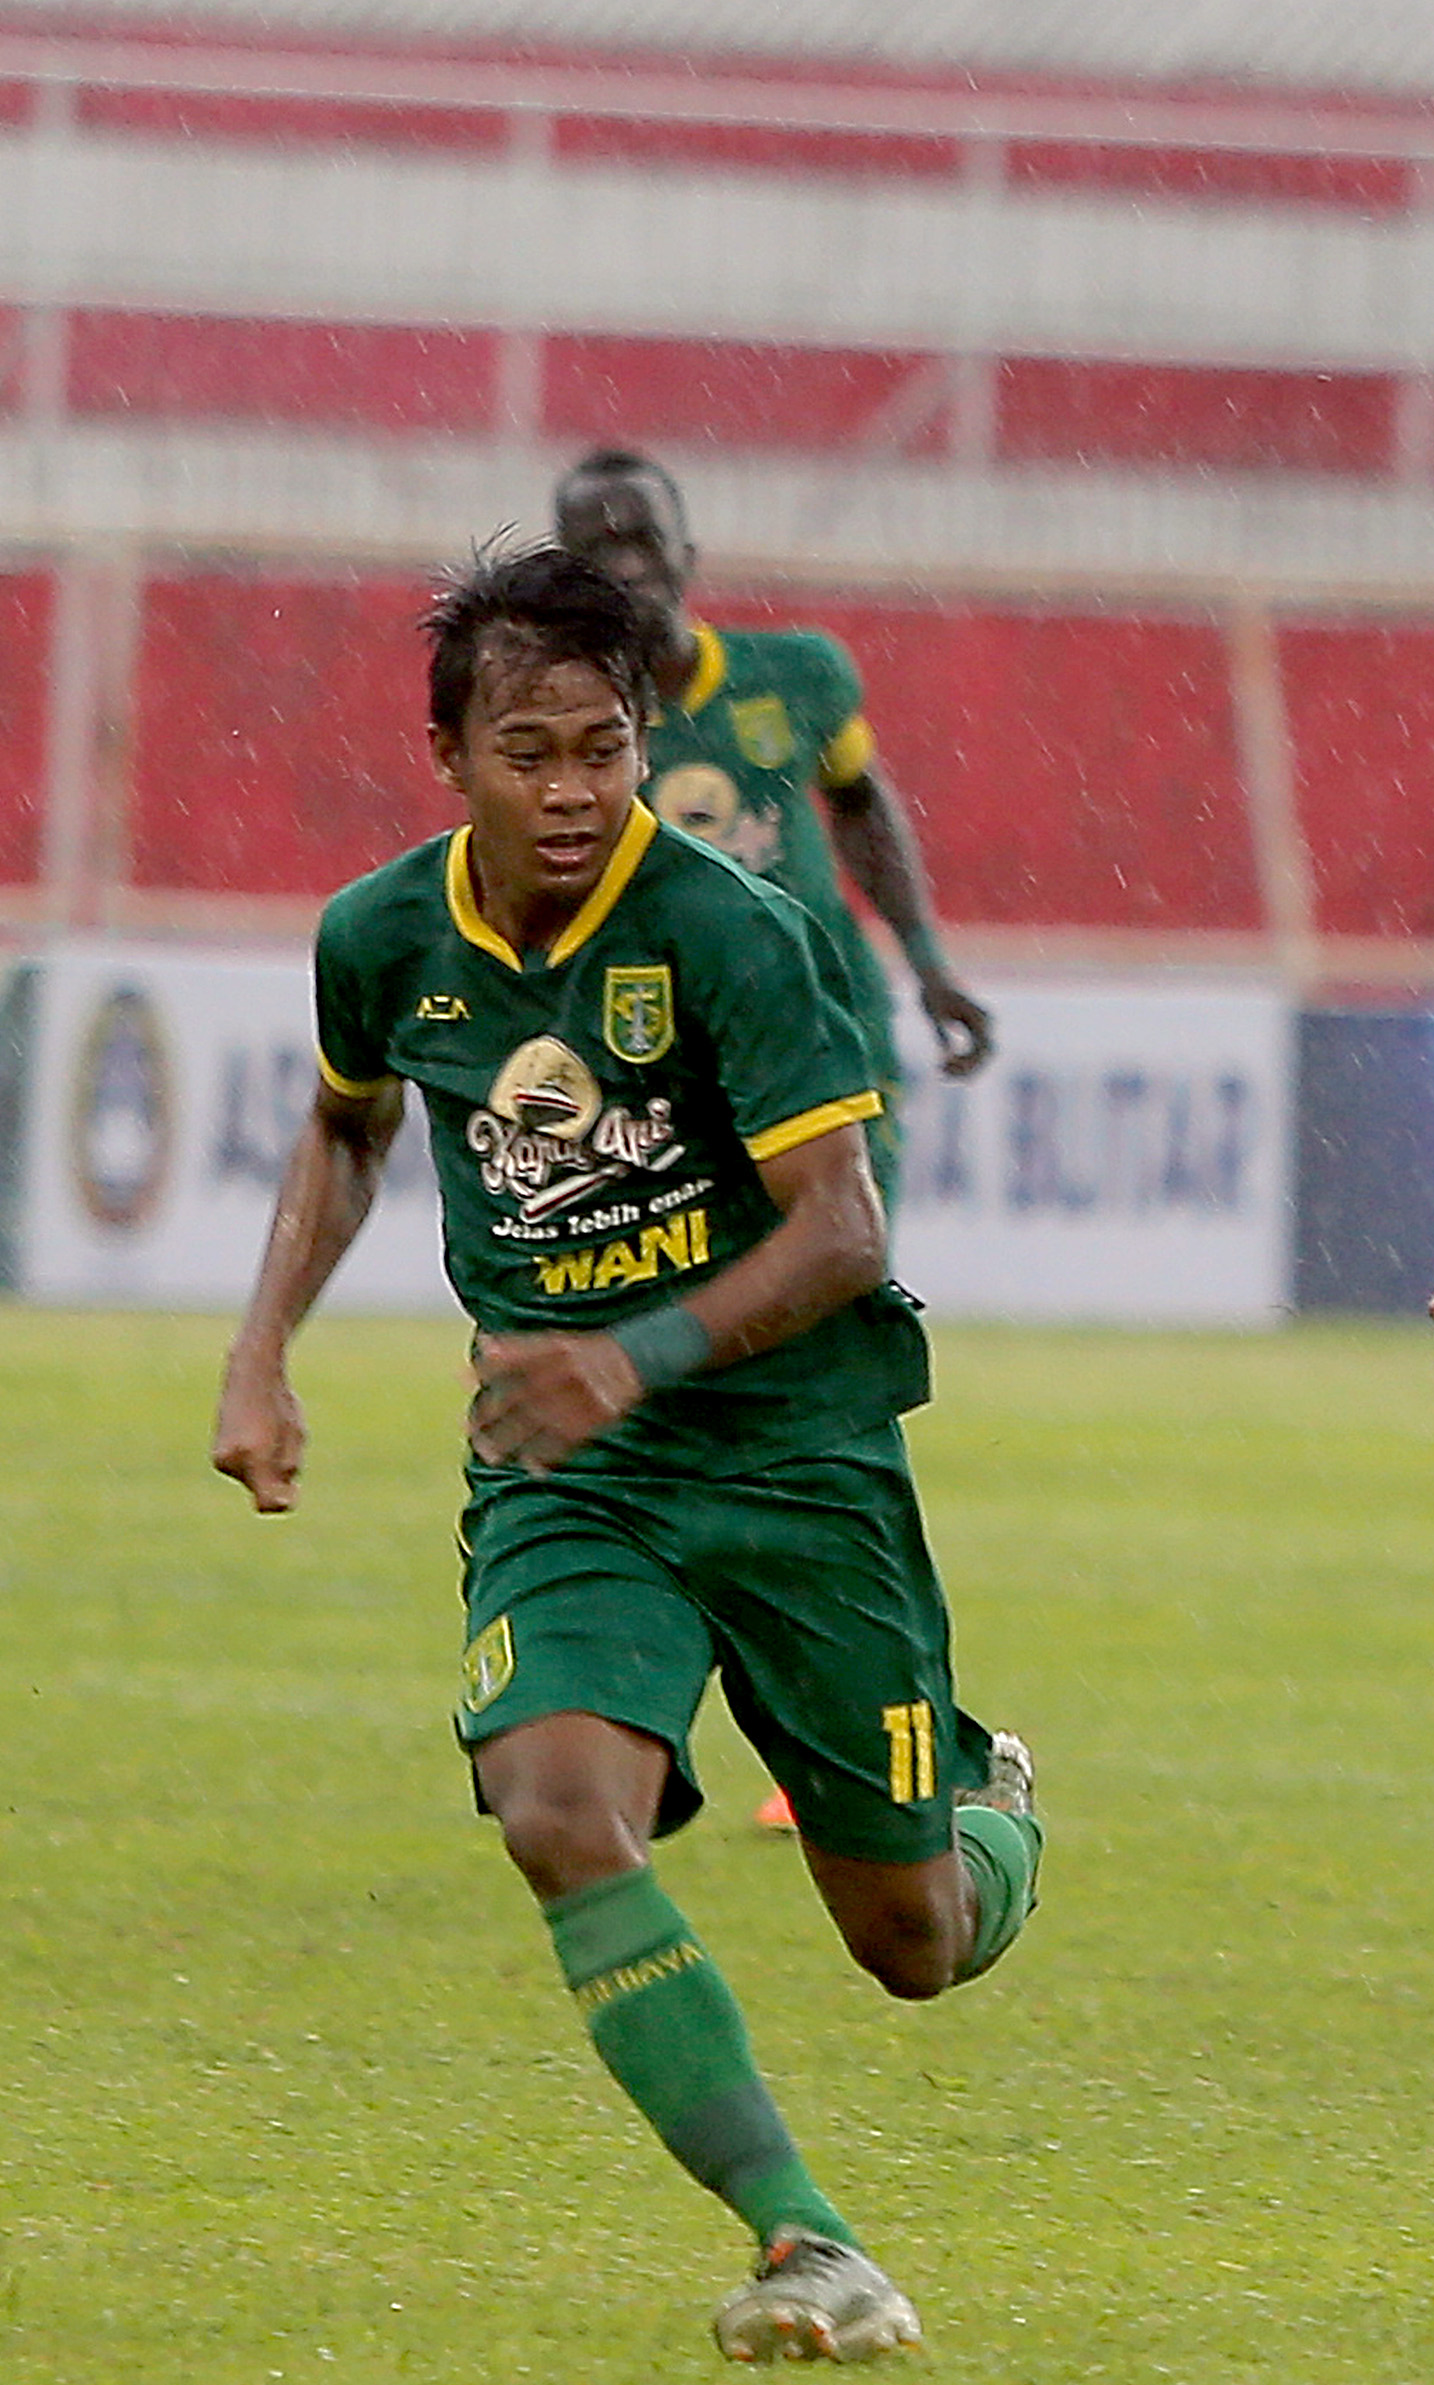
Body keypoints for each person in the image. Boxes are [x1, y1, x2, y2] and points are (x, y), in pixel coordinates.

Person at [210, 543, 1045, 2360]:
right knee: (555, 1811)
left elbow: (844, 1230)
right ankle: (809, 2241)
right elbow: (347, 1134)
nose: (576, 791)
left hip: (793, 1447)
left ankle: (999, 1809)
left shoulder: (739, 935)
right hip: (565, 1470)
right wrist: (261, 1353)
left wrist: (634, 1350)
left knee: (909, 1935)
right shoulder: (381, 940)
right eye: (532, 751)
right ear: (451, 757)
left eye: (606, 748)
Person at [552, 446, 996, 1830]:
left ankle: (885, 1718)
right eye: (597, 543)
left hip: (828, 1078)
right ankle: (652, 1707)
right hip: (676, 1103)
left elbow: (860, 806)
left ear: (687, 551)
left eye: (644, 535)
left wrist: (923, 958)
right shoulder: (574, 738)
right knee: (685, 1391)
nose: (628, 559)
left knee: (821, 1379)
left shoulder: (796, 679)